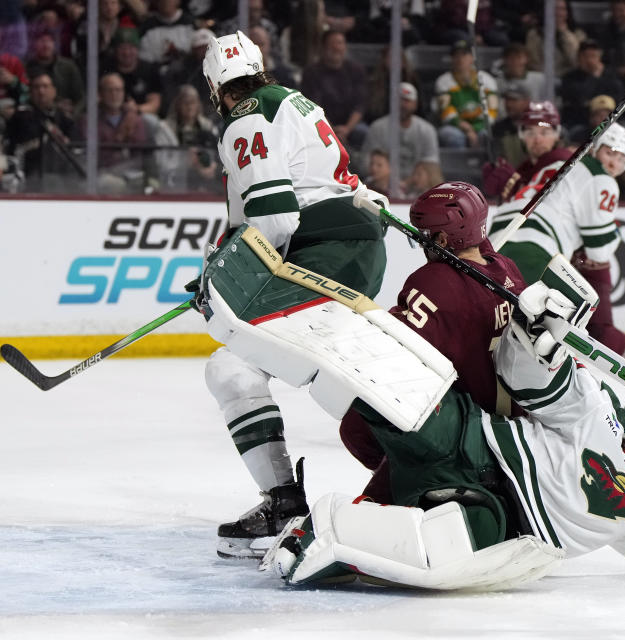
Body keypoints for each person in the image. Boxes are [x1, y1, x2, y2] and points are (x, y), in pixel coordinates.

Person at [252, 274, 625, 591]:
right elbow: (533, 377)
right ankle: (268, 320)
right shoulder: (598, 407)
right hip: (475, 445)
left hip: (503, 514)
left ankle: (325, 534)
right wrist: (532, 331)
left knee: (453, 546)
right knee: (396, 386)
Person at [196, 30, 388, 559]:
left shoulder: (247, 116)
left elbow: (273, 219)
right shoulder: (294, 103)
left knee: (232, 369)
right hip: (352, 251)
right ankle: (419, 468)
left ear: (215, 85)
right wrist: (221, 267)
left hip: (319, 253)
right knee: (337, 369)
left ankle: (283, 502)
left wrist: (225, 277)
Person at [338, 182, 528, 503]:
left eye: (427, 235)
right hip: (514, 423)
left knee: (359, 422)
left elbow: (394, 347)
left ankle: (419, 488)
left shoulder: (436, 282)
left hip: (471, 430)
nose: (422, 242)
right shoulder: (505, 269)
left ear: (443, 239)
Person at [487, 103, 625, 397]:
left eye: (620, 157)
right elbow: (599, 251)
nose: (612, 161)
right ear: (596, 149)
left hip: (496, 242)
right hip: (536, 250)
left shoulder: (549, 164)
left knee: (491, 318)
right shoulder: (598, 177)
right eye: (609, 152)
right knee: (577, 333)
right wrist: (609, 235)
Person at [360, 82, 440, 196]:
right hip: (382, 189)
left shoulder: (427, 130)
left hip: (417, 189)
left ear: (415, 104)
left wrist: (408, 182)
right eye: (398, 100)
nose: (402, 104)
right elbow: (366, 162)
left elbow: (432, 167)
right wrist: (387, 178)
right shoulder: (377, 127)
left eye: (407, 100)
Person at [7, 71, 78, 192]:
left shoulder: (63, 118)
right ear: (30, 92)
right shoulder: (22, 115)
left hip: (60, 172)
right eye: (36, 87)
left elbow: (73, 144)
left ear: (54, 91)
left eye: (45, 86)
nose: (41, 91)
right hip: (31, 172)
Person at [300, 31, 368, 149]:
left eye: (340, 43)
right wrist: (331, 130)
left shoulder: (356, 70)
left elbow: (360, 106)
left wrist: (346, 129)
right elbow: (313, 107)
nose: (336, 47)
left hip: (351, 127)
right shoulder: (311, 73)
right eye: (332, 44)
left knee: (363, 133)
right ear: (323, 47)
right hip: (321, 125)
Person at [434, 40, 499, 149]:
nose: (460, 59)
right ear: (452, 59)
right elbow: (446, 111)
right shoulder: (443, 81)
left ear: (472, 58)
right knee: (450, 135)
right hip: (456, 126)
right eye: (456, 55)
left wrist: (476, 128)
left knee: (487, 135)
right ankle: (458, 165)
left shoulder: (486, 80)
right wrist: (467, 129)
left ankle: (487, 165)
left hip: (482, 125)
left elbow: (492, 110)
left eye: (464, 55)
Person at [559, 39, 624, 137]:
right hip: (579, 122)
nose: (589, 60)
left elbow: (618, 99)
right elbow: (580, 98)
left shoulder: (611, 76)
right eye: (585, 56)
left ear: (599, 57)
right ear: (579, 57)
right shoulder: (570, 78)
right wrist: (594, 76)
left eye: (593, 56)